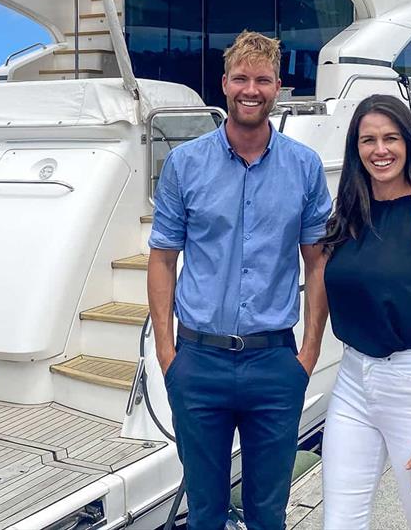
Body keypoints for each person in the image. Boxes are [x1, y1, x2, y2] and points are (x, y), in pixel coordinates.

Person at [147, 30, 332, 530]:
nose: (252, 89)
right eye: (242, 78)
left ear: (278, 88)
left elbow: (317, 262)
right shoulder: (186, 164)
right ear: (225, 84)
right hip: (198, 363)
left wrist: (307, 356)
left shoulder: (304, 167)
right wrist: (168, 356)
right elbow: (163, 259)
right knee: (204, 513)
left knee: (267, 514)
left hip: (274, 363)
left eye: (264, 80)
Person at [320, 94, 411, 530]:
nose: (379, 150)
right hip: (352, 382)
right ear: (356, 149)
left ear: (409, 145)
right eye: (368, 140)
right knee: (340, 524)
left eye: (390, 138)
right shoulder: (348, 214)